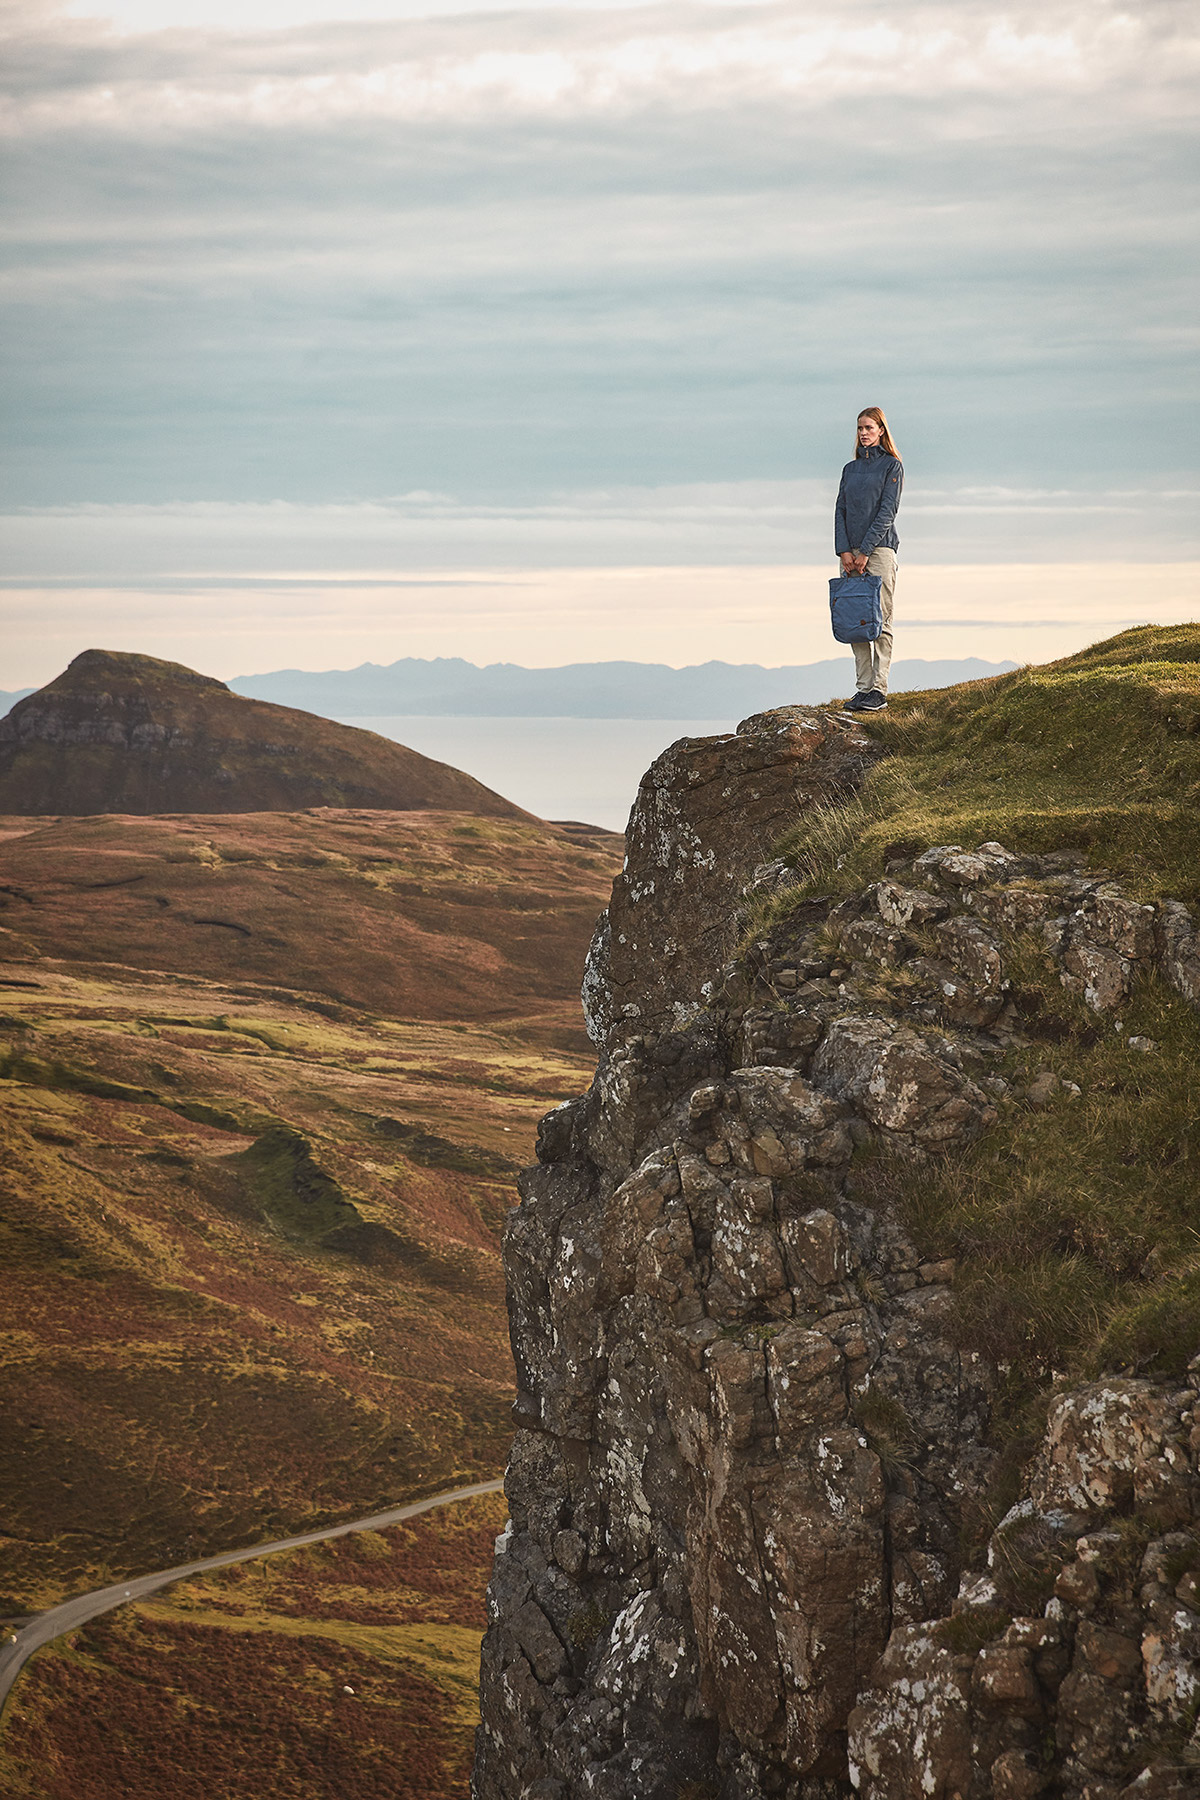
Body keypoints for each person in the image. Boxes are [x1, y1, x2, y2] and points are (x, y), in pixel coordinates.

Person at [834, 406, 903, 712]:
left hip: (880, 551)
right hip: (850, 556)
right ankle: (862, 689)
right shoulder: (849, 470)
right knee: (854, 621)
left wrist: (865, 551)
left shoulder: (892, 467)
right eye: (860, 428)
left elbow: (887, 512)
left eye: (869, 428)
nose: (863, 433)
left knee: (881, 620)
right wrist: (845, 551)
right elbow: (840, 511)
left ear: (881, 431)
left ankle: (879, 689)